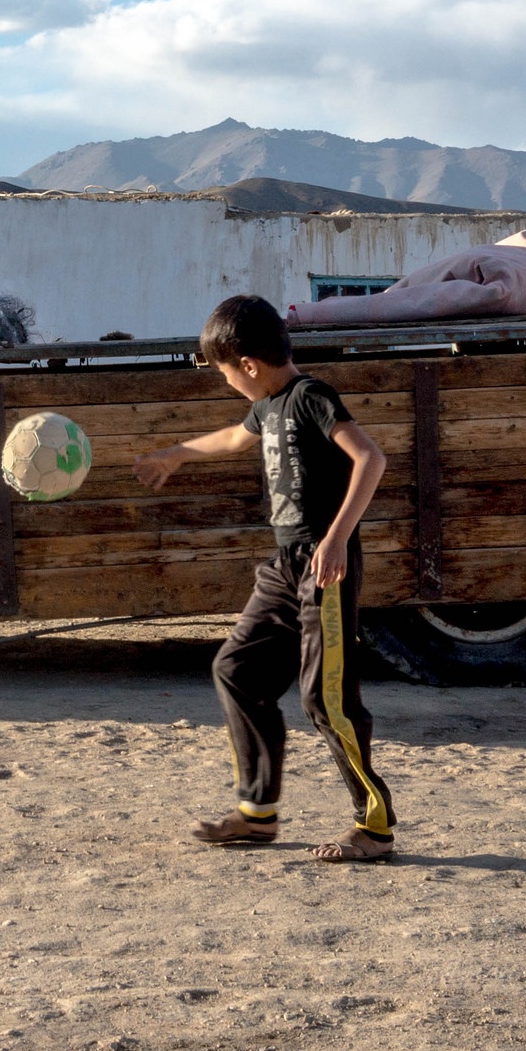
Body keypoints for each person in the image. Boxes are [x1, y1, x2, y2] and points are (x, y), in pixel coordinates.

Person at [134, 295, 397, 862]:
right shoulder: (267, 407)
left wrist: (335, 539)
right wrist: (175, 453)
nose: (229, 382)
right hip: (283, 567)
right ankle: (256, 815)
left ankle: (374, 827)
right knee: (236, 669)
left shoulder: (309, 397)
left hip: (324, 566)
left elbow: (370, 459)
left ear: (248, 365)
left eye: (226, 372)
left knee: (325, 700)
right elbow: (234, 438)